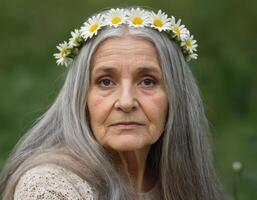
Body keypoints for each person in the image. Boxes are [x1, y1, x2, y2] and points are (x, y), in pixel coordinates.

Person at [0, 7, 225, 200]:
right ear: (81, 98)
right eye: (105, 82)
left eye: (147, 81)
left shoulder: (185, 181)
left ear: (176, 96)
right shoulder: (49, 186)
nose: (126, 102)